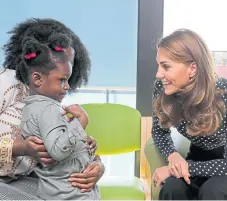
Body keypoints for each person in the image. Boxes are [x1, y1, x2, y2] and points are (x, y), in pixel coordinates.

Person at [0, 18, 104, 200]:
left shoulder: (52, 101)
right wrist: (21, 148)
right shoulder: (7, 82)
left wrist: (97, 166)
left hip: (28, 179)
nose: (66, 85)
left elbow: (63, 149)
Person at [151, 29, 227, 200]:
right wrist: (173, 156)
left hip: (224, 164)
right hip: (196, 157)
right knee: (172, 188)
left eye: (166, 66)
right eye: (158, 65)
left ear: (192, 68)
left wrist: (175, 169)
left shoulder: (224, 93)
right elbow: (159, 131)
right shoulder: (162, 87)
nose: (158, 74)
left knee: (213, 191)